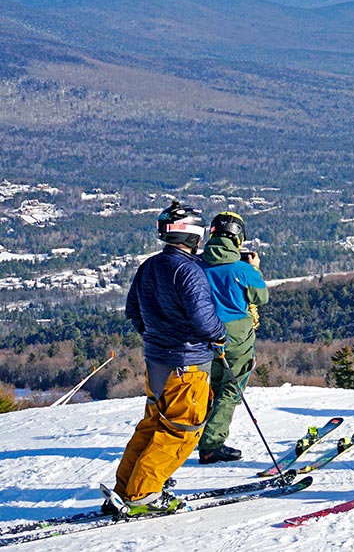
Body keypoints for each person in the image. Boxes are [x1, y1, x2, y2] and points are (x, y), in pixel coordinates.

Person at [109, 201, 227, 516]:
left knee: (152, 424)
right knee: (181, 429)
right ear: (193, 237)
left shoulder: (149, 265)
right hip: (186, 364)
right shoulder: (189, 271)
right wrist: (220, 335)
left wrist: (156, 336)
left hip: (156, 359)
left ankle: (126, 487)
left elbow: (133, 311)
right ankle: (143, 494)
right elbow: (204, 321)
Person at [197, 211, 269, 464]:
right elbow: (261, 297)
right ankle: (211, 444)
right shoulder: (241, 268)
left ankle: (188, 437)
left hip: (200, 335)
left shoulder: (193, 265)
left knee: (205, 387)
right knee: (230, 389)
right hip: (235, 337)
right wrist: (254, 270)